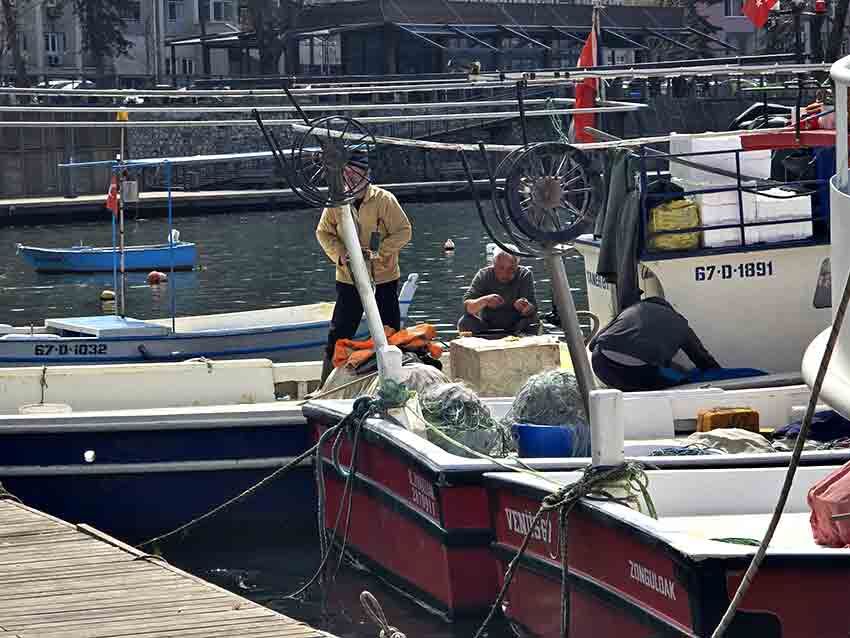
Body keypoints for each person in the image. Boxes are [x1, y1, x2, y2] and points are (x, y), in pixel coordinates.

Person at [316, 154, 412, 384]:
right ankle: (325, 384)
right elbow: (323, 233)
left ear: (366, 175)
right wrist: (341, 254)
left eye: (353, 174)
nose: (348, 179)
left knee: (389, 332)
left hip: (383, 277)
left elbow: (404, 231)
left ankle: (392, 382)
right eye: (345, 174)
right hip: (349, 279)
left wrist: (379, 252)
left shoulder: (384, 199)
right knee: (339, 334)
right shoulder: (336, 202)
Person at [588, 297, 720, 392]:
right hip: (636, 374)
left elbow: (592, 345)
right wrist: (718, 373)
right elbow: (702, 359)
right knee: (680, 381)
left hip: (601, 364)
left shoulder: (630, 310)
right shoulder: (681, 323)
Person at [458, 245, 538, 336]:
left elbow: (533, 309)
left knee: (533, 320)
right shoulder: (483, 275)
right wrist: (485, 300)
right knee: (465, 322)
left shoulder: (524, 274)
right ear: (494, 264)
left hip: (517, 326)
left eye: (511, 269)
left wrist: (525, 307)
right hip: (486, 326)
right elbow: (467, 307)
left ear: (517, 265)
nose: (505, 273)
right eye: (501, 268)